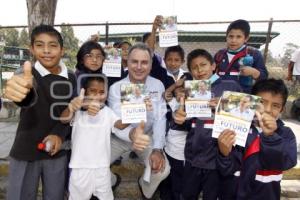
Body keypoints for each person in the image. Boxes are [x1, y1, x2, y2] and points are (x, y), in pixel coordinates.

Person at [4, 24, 76, 200]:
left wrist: (59, 135)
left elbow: (70, 112)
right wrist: (22, 93)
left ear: (62, 50)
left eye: (52, 45)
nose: (46, 51)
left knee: (55, 195)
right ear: (32, 49)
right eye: (39, 45)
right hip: (25, 151)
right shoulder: (27, 74)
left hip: (56, 150)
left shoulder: (72, 77)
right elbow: (28, 95)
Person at [171, 49, 241, 200]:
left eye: (203, 65)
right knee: (188, 194)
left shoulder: (231, 86)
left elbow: (244, 118)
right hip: (192, 157)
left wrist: (223, 106)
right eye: (194, 67)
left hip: (217, 159)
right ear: (190, 71)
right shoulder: (190, 92)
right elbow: (187, 123)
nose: (199, 70)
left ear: (213, 66)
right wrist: (179, 119)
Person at [108, 43, 170, 199]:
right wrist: (132, 134)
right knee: (94, 163)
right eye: (134, 61)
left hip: (146, 138)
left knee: (162, 170)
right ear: (127, 63)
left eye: (144, 62)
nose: (139, 67)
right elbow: (115, 122)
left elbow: (160, 119)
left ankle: (145, 189)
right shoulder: (116, 88)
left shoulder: (158, 85)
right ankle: (113, 180)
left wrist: (157, 149)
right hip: (119, 138)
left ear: (150, 65)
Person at [217, 78, 297, 200]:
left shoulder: (285, 134)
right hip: (233, 194)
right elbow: (226, 170)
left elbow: (287, 162)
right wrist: (224, 153)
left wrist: (271, 137)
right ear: (251, 102)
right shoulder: (237, 128)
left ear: (282, 109)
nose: (268, 109)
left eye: (275, 105)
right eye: (262, 103)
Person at [60, 76, 127, 200]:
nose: (97, 96)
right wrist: (72, 106)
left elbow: (121, 125)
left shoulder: (108, 112)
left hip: (102, 167)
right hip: (80, 167)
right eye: (93, 91)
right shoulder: (78, 111)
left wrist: (136, 112)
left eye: (102, 92)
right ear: (84, 92)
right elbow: (63, 119)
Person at [214, 19, 268, 93]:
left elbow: (264, 77)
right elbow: (212, 74)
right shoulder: (219, 54)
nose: (233, 40)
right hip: (220, 96)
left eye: (238, 37)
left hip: (242, 98)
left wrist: (254, 72)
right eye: (231, 36)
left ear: (246, 38)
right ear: (226, 37)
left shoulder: (254, 54)